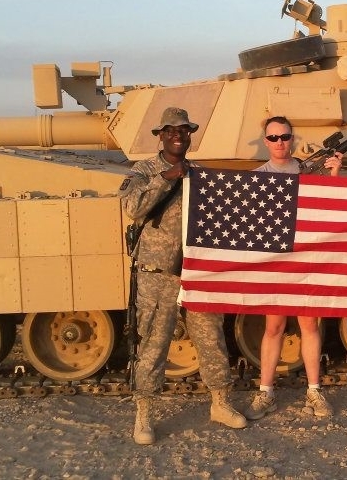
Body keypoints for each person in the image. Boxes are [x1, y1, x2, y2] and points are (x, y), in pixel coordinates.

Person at [121, 106, 247, 445]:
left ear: (190, 134)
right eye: (171, 129)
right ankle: (144, 414)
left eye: (184, 129)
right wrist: (167, 178)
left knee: (211, 340)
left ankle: (220, 403)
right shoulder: (145, 171)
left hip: (197, 271)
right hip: (158, 274)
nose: (178, 134)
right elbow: (132, 209)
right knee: (153, 344)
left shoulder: (200, 173)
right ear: (160, 135)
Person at [244, 116, 343, 420]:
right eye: (273, 138)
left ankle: (314, 391)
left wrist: (335, 173)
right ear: (266, 141)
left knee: (309, 325)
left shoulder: (307, 169)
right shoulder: (256, 176)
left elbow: (330, 205)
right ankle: (266, 393)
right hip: (276, 259)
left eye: (284, 137)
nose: (280, 143)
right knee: (274, 327)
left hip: (305, 258)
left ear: (292, 138)